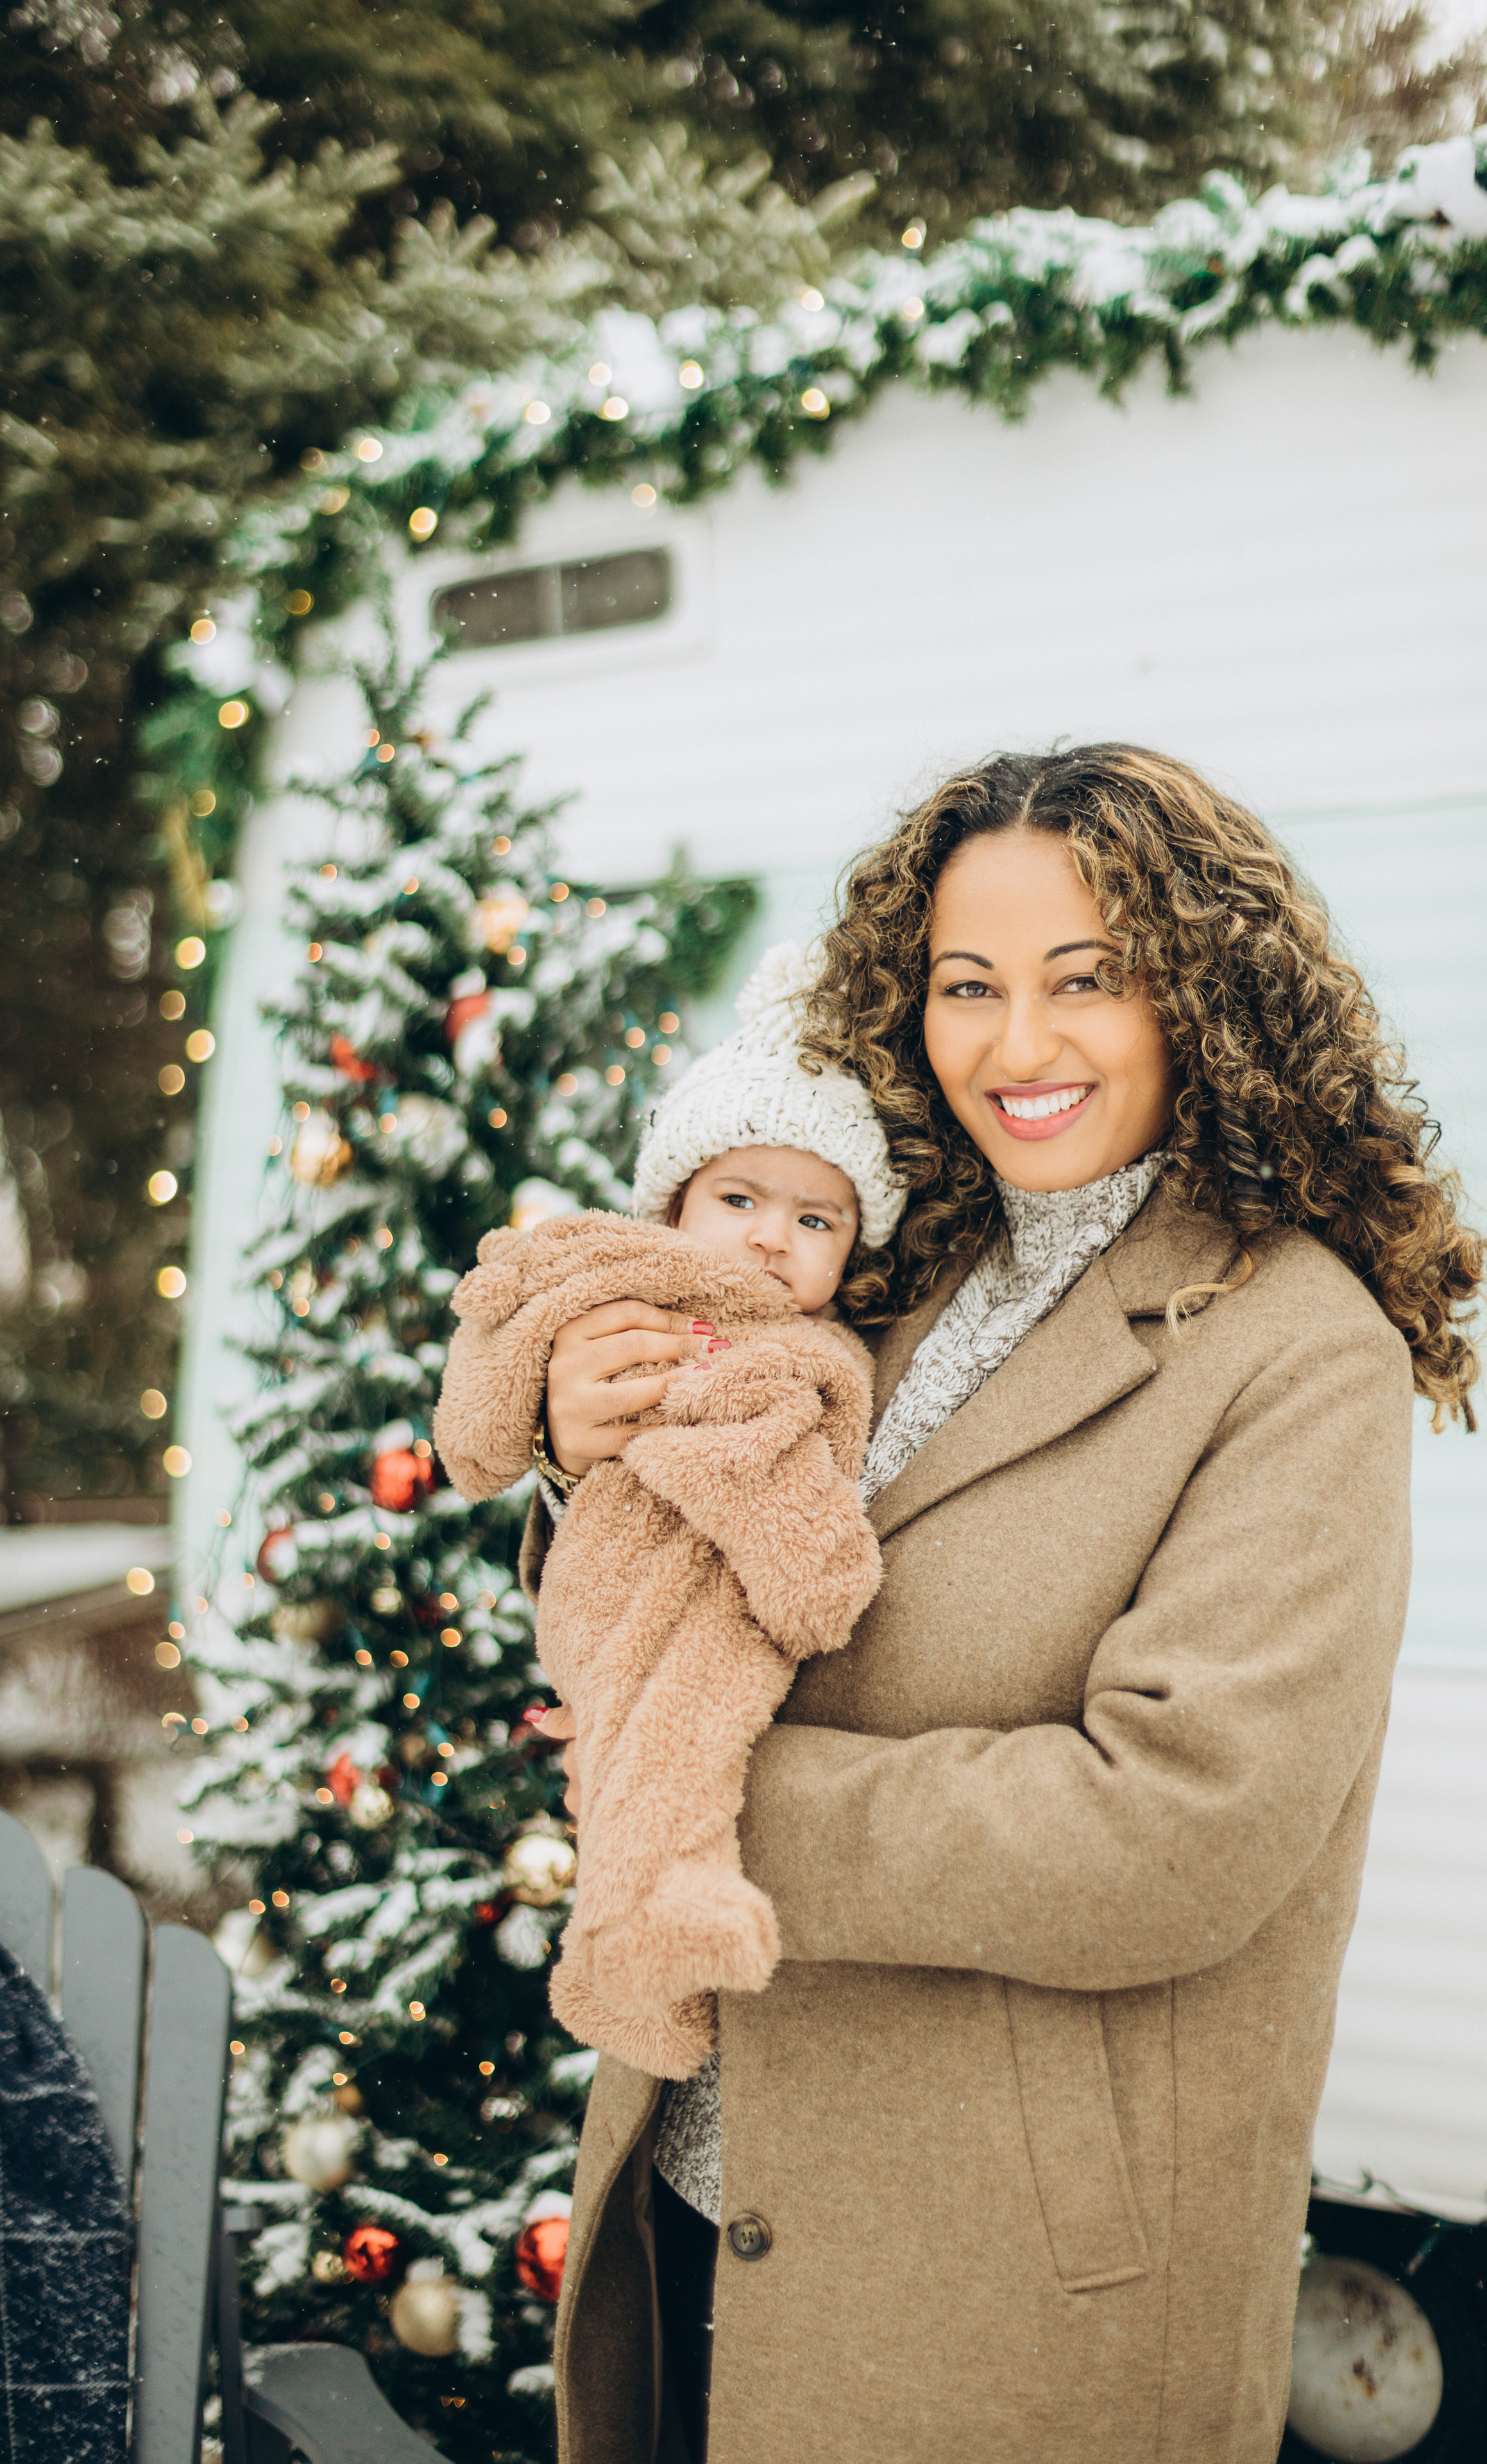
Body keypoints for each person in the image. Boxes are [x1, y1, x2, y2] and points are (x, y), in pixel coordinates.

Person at [527, 745, 1482, 2464]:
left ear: (1201, 993)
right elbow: (720, 1562)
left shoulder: (1296, 1347)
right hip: (705, 2194)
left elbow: (1174, 1829)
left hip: (1001, 2285)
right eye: (968, 987)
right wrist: (592, 1448)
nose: (1016, 1047)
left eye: (1085, 983)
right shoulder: (883, 1263)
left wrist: (706, 1788)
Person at [434, 944, 905, 2082]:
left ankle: (638, 1970)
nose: (765, 1238)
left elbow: (771, 1458)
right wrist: (526, 1426)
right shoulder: (613, 1272)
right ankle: (649, 1931)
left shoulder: (818, 1352)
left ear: (854, 1250)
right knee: (666, 1739)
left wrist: (796, 1552)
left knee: (669, 1742)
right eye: (737, 1200)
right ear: (676, 1201)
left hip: (710, 1597)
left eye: (813, 1222)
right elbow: (498, 1338)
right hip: (616, 1574)